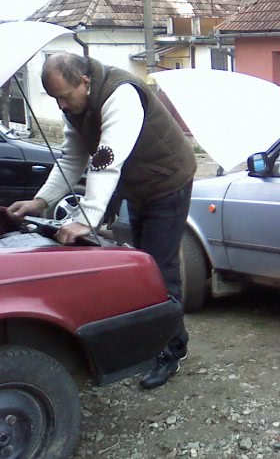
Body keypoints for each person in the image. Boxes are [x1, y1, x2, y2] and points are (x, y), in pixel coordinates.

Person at [8, 53, 196, 389]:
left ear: (84, 81)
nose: (62, 106)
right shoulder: (77, 106)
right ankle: (161, 338)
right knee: (148, 267)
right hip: (139, 184)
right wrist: (41, 201)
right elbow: (72, 158)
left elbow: (105, 160)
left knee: (160, 269)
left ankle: (172, 351)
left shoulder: (121, 94)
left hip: (168, 182)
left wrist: (86, 217)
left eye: (65, 97)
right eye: (55, 99)